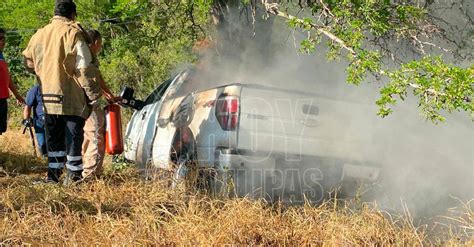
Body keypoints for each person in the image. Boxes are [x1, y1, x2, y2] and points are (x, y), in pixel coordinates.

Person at [22, 0, 102, 184]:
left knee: (54, 140)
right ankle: (73, 179)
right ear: (73, 15)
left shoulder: (39, 34)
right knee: (74, 138)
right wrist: (93, 95)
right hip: (70, 97)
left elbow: (28, 62)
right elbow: (84, 68)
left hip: (47, 99)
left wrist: (45, 70)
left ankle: (53, 178)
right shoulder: (73, 33)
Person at [82, 29, 119, 179]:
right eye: (101, 44)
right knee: (96, 137)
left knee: (87, 136)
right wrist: (95, 98)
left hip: (82, 104)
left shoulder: (88, 58)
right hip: (90, 103)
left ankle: (84, 170)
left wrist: (108, 94)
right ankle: (91, 175)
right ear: (95, 43)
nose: (101, 47)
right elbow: (88, 80)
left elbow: (98, 77)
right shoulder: (85, 60)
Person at [0, 28, 26, 136]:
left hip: (2, 99)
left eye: (3, 38)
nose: (3, 41)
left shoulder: (1, 56)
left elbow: (8, 77)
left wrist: (17, 95)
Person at [22, 84, 47, 156]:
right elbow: (28, 106)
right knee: (42, 144)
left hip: (55, 120)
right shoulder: (35, 90)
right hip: (40, 121)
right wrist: (26, 119)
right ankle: (44, 160)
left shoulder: (56, 88)